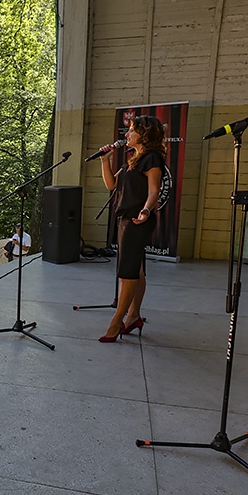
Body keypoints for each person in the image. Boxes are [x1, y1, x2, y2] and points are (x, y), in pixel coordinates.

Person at [97, 115, 165, 342]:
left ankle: (116, 322)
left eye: (131, 131)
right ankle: (133, 315)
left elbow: (154, 191)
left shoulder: (152, 158)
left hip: (137, 220)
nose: (126, 135)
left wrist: (146, 210)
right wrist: (105, 161)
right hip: (125, 219)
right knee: (136, 270)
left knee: (127, 274)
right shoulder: (133, 159)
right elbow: (111, 185)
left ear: (144, 135)